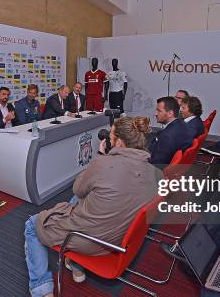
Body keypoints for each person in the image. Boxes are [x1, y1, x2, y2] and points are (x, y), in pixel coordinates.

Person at [24, 116, 158, 297]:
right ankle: (76, 265)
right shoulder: (157, 174)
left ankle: (42, 291)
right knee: (77, 200)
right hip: (119, 240)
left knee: (32, 224)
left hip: (90, 240)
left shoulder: (102, 163)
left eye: (111, 137)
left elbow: (78, 188)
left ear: (118, 141)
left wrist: (101, 157)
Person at [149, 96, 191, 166]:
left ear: (170, 114)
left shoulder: (167, 136)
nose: (155, 114)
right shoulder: (182, 124)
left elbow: (156, 165)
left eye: (159, 111)